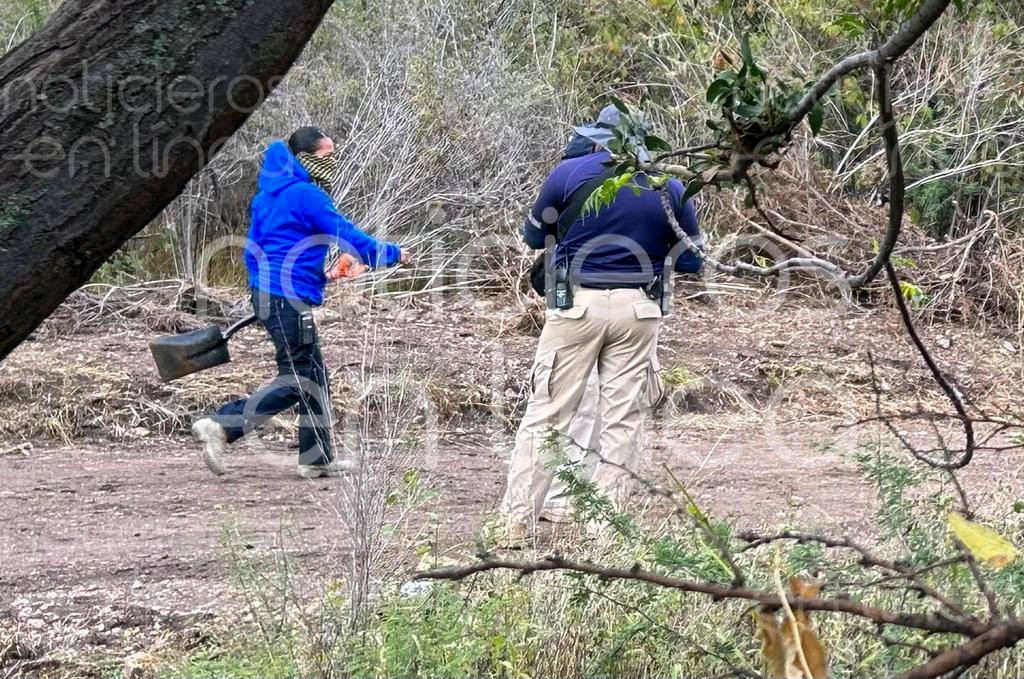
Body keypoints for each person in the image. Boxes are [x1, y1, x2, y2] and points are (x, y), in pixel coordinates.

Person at [499, 104, 703, 538]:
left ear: (596, 136)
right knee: (622, 420)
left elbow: (534, 236)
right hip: (639, 310)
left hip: (576, 305)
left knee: (547, 415)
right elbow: (691, 261)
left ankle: (515, 525)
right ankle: (604, 529)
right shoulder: (669, 183)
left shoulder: (569, 174)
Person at [192, 127, 410, 479]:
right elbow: (349, 237)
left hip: (272, 293)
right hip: (286, 297)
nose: (333, 162)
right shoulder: (306, 194)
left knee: (314, 374)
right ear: (304, 157)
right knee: (299, 379)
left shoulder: (266, 197)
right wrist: (393, 253)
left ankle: (316, 456)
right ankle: (221, 425)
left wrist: (318, 277)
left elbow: (264, 254)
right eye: (327, 155)